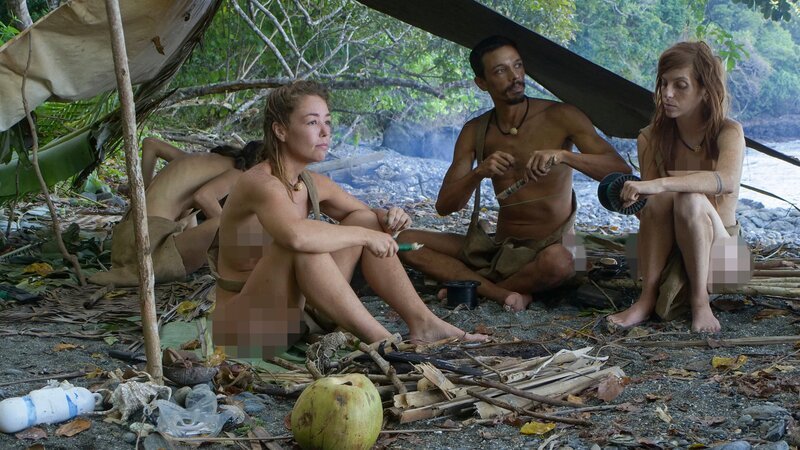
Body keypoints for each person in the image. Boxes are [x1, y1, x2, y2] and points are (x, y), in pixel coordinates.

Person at [212, 80, 485, 358]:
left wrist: (388, 217)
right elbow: (296, 236)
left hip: (295, 317)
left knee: (364, 221)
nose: (325, 132)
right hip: (243, 330)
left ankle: (423, 323)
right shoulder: (260, 183)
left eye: (328, 122)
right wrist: (368, 237)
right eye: (312, 123)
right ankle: (384, 342)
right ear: (280, 130)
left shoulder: (309, 182)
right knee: (305, 242)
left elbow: (366, 217)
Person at [397, 35, 631, 312]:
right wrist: (478, 173)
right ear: (481, 83)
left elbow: (620, 171)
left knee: (561, 262)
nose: (515, 76)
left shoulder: (562, 115)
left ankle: (473, 286)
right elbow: (445, 206)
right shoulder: (475, 130)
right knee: (404, 242)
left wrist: (564, 156)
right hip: (499, 248)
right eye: (500, 71)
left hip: (557, 246)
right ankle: (504, 292)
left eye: (517, 66)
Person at [607, 41, 751, 333]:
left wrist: (659, 184)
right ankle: (646, 299)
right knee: (660, 200)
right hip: (670, 252)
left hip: (722, 261)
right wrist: (633, 200)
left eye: (680, 85)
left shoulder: (728, 131)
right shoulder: (651, 137)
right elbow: (649, 214)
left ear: (703, 90)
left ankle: (701, 303)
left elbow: (726, 181)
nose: (668, 94)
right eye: (663, 84)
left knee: (690, 199)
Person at [88, 140, 262, 286]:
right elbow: (204, 197)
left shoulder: (198, 161)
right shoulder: (239, 173)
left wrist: (142, 190)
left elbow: (150, 143)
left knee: (202, 220)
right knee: (229, 223)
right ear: (258, 163)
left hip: (127, 239)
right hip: (149, 241)